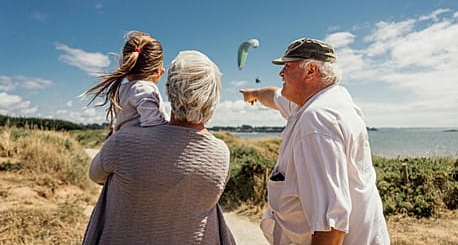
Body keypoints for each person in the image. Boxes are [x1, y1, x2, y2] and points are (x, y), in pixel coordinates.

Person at [240, 38, 390, 245]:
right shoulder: (328, 101)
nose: (281, 73)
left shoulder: (317, 120)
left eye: (288, 66)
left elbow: (331, 225)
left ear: (311, 70)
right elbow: (274, 96)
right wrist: (253, 94)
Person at [83, 50, 236, 245]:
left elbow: (95, 175)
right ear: (214, 96)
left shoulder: (124, 141)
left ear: (168, 89)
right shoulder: (221, 153)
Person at [82, 30, 168, 136]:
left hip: (121, 144)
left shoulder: (121, 90)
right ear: (159, 71)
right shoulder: (145, 89)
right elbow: (153, 126)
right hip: (137, 148)